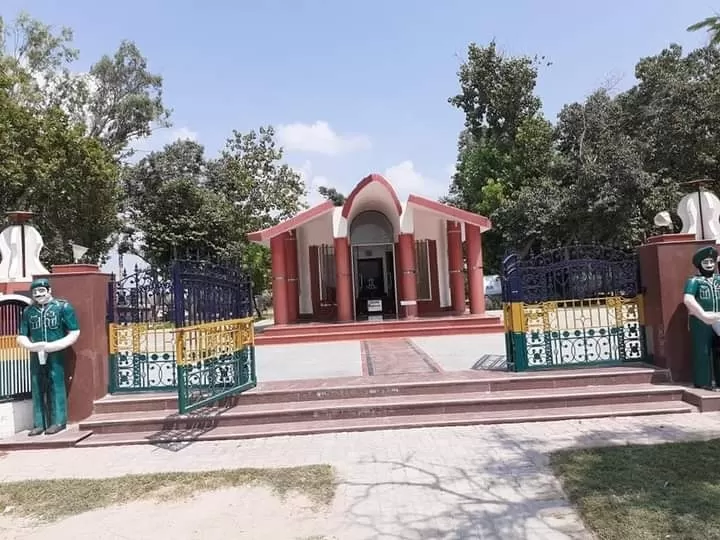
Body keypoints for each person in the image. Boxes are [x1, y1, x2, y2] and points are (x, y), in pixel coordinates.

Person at [16, 278, 80, 435]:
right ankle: (39, 423)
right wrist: (30, 345)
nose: (38, 294)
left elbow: (74, 331)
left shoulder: (62, 307)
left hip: (56, 352)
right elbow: (22, 334)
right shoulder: (28, 311)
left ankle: (58, 421)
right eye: (35, 292)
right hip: (36, 352)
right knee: (37, 384)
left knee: (55, 382)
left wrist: (55, 345)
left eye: (41, 290)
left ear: (49, 290)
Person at [683, 246, 720, 389]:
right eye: (706, 262)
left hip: (718, 318)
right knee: (702, 351)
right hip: (700, 321)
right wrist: (702, 315)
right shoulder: (694, 281)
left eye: (712, 262)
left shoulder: (718, 279)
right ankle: (703, 382)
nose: (710, 265)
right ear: (699, 264)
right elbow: (688, 299)